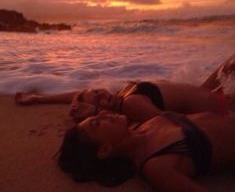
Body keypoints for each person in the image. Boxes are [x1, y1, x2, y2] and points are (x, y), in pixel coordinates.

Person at [15, 54, 235, 123]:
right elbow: (173, 124)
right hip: (220, 104)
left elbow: (76, 95)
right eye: (98, 99)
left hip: (206, 90)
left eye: (97, 91)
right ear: (100, 112)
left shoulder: (122, 96)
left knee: (231, 61)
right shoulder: (131, 105)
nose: (102, 93)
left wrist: (38, 99)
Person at [57, 110, 235, 191]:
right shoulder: (155, 166)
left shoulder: (142, 125)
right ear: (104, 149)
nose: (104, 113)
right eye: (97, 122)